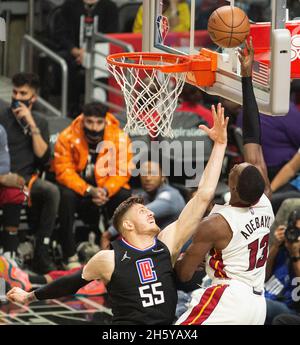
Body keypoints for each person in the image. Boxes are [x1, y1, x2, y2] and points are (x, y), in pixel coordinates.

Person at [6, 103, 229, 325]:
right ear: (128, 226)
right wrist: (30, 296)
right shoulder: (108, 258)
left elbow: (203, 196)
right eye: (142, 211)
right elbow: (71, 282)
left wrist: (219, 146)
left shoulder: (167, 244)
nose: (150, 213)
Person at [175, 38, 274, 325]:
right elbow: (254, 135)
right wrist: (246, 76)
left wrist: (173, 252)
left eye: (236, 169)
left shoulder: (217, 223)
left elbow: (183, 274)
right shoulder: (263, 199)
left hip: (229, 298)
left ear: (232, 187)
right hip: (257, 304)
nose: (238, 163)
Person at [53, 102, 133, 268]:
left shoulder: (119, 137)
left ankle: (120, 252)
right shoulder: (66, 136)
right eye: (89, 122)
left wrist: (105, 190)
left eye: (98, 122)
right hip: (80, 191)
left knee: (125, 196)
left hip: (105, 190)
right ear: (82, 120)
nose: (94, 127)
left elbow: (123, 171)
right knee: (65, 195)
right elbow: (63, 171)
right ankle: (70, 255)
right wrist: (89, 190)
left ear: (105, 121)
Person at [0, 73, 60, 274]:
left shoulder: (40, 121)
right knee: (11, 189)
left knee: (51, 191)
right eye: (15, 92)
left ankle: (41, 253)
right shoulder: (2, 116)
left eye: (23, 93)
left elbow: (43, 158)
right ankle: (9, 251)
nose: (17, 96)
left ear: (33, 97)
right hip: (4, 177)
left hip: (28, 180)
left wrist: (31, 124)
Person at [100, 158, 186, 250]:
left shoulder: (170, 196)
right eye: (144, 173)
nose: (148, 178)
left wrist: (107, 234)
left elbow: (132, 215)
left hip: (177, 252)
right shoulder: (145, 196)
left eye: (152, 173)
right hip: (156, 249)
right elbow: (121, 214)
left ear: (163, 175)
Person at [55, 0, 119, 117]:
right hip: (73, 52)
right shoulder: (69, 5)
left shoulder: (110, 7)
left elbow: (112, 34)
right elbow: (61, 34)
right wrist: (76, 51)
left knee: (104, 63)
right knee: (66, 63)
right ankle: (72, 109)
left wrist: (90, 53)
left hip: (99, 52)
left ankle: (100, 108)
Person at [264, 210, 300, 324]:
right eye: (296, 231)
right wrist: (275, 245)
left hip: (287, 307)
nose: (297, 236)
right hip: (264, 292)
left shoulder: (295, 254)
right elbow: (263, 276)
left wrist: (295, 255)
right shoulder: (283, 246)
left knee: (257, 305)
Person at [270, 149, 300, 213]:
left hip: (296, 194)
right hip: (294, 186)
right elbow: (291, 168)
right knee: (266, 202)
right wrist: (270, 191)